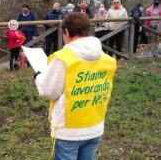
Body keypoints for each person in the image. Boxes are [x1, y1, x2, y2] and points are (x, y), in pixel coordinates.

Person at [34, 12, 117, 160]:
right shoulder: (106, 59)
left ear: (65, 31)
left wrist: (38, 77)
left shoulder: (64, 58)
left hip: (69, 132)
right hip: (95, 127)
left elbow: (49, 91)